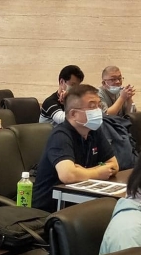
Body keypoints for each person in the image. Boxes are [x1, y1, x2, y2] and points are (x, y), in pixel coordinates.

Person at [32, 84, 119, 212]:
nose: (98, 111)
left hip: (80, 202)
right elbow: (68, 175)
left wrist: (83, 172)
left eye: (98, 105)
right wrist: (98, 173)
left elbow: (114, 165)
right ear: (73, 114)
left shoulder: (94, 131)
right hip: (51, 209)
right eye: (92, 107)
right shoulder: (60, 135)